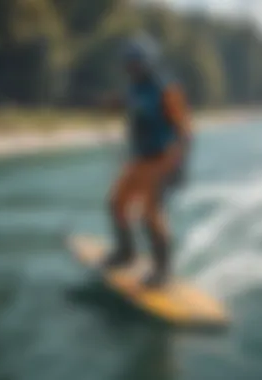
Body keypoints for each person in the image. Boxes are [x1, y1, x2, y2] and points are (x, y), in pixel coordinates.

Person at [103, 34, 192, 288]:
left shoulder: (168, 89)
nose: (130, 67)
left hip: (163, 160)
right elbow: (132, 104)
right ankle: (126, 253)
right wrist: (115, 104)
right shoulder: (134, 86)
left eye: (134, 62)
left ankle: (162, 272)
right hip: (139, 160)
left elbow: (185, 131)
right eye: (127, 63)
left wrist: (179, 167)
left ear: (148, 62)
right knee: (116, 203)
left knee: (150, 215)